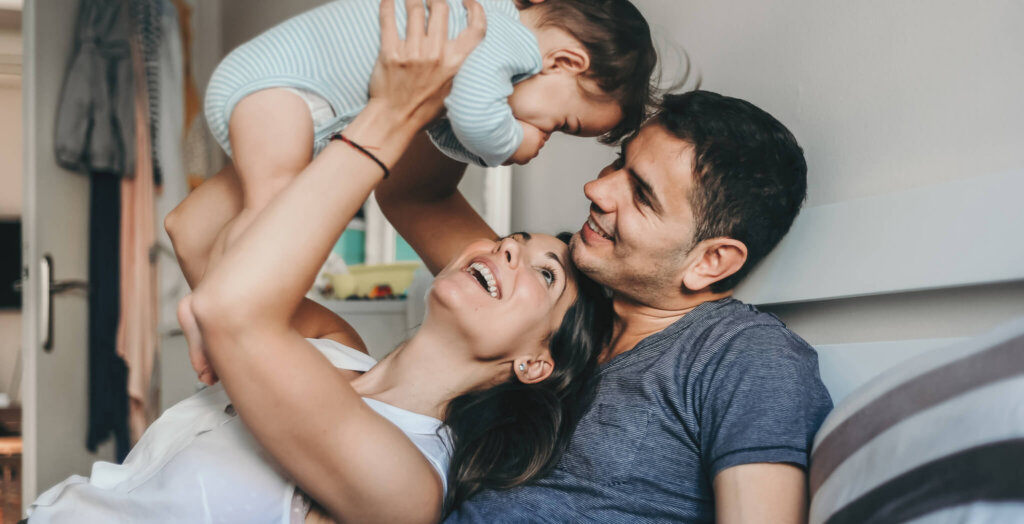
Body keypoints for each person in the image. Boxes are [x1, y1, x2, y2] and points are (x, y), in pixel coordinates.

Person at [27, 2, 610, 522]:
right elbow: (193, 230)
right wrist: (319, 97)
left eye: (544, 273)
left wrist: (392, 113)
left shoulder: (408, 485)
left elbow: (230, 310)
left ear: (535, 363)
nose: (507, 247)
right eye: (514, 239)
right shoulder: (331, 341)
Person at [376, 90, 835, 521]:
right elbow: (414, 195)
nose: (597, 190)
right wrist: (489, 84)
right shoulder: (555, 301)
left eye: (641, 194)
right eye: (618, 162)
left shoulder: (745, 356)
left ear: (710, 261)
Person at [182, 0, 655, 383]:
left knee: (269, 208)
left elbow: (443, 130)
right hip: (284, 92)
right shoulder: (500, 36)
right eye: (563, 124)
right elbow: (471, 118)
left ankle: (213, 295)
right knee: (272, 208)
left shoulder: (485, 38)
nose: (546, 132)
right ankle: (211, 299)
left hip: (287, 97)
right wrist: (511, 143)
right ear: (565, 61)